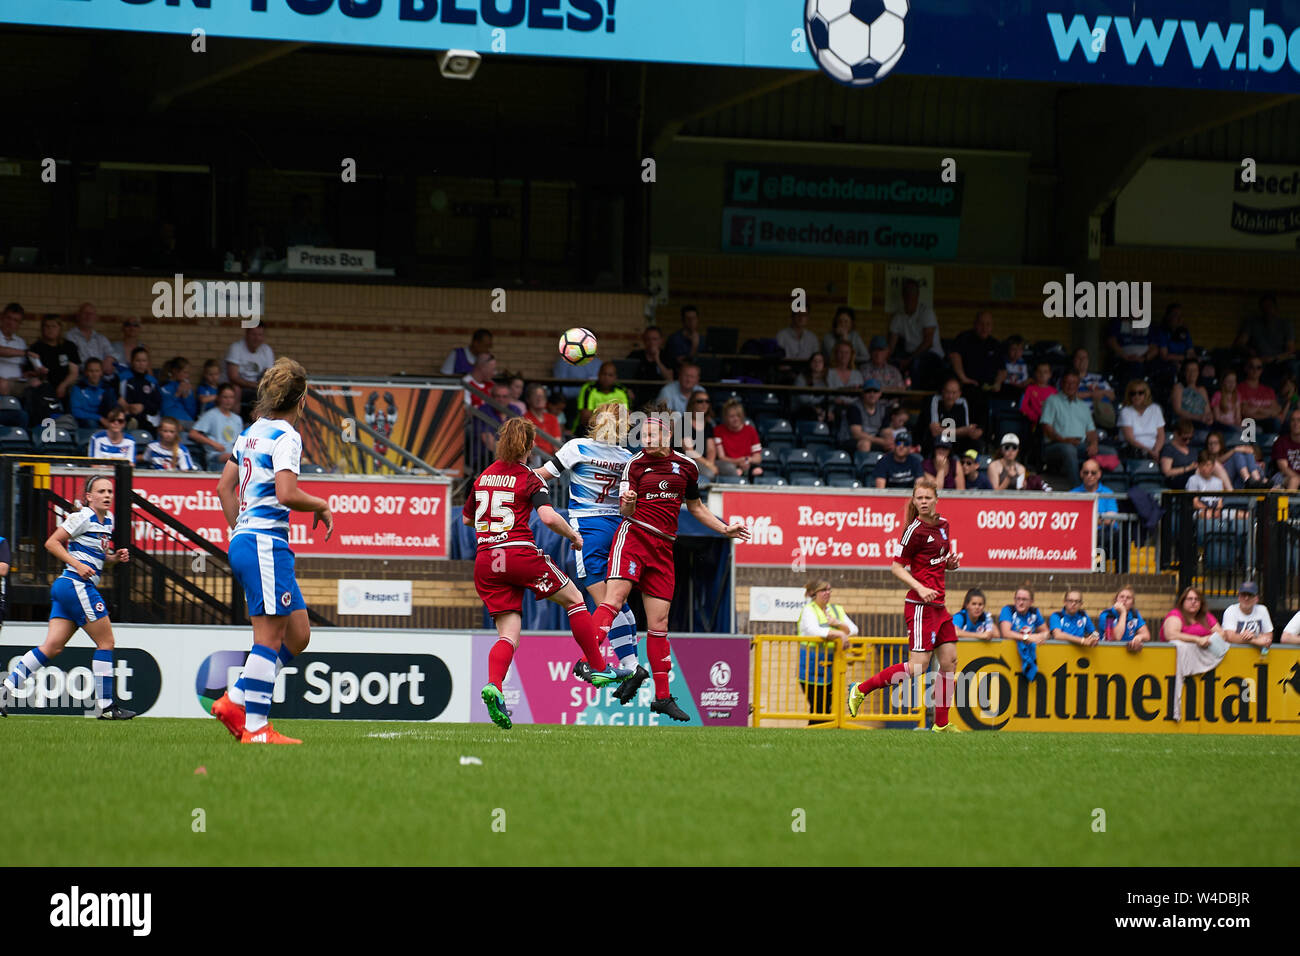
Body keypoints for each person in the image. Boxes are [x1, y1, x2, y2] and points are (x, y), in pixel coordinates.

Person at [588, 406, 751, 721]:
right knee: (614, 600)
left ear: (668, 434)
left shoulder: (687, 467)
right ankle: (590, 661)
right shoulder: (635, 465)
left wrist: (723, 527)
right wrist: (629, 504)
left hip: (663, 550)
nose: (646, 440)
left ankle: (662, 698)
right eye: (643, 434)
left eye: (652, 434)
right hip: (634, 538)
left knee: (659, 625)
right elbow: (624, 509)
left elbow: (697, 507)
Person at [466, 417, 625, 730]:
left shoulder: (482, 477)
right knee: (576, 599)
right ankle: (597, 667)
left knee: (508, 635)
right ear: (528, 446)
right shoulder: (527, 476)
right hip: (518, 554)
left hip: (486, 561)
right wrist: (574, 537)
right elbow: (549, 517)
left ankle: (494, 685)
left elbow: (468, 520)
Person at [210, 358, 331, 745]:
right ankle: (258, 729)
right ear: (302, 400)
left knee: (297, 635)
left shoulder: (249, 434)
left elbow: (223, 488)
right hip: (265, 543)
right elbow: (286, 493)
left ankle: (235, 699)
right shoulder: (286, 436)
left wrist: (239, 530)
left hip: (250, 541)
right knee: (268, 639)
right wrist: (322, 505)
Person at [0, 475, 134, 719]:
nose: (107, 495)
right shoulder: (81, 516)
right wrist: (77, 565)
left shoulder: (108, 520)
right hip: (76, 584)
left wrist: (113, 559)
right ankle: (106, 707)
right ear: (89, 496)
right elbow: (51, 543)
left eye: (110, 491)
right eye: (101, 491)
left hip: (67, 586)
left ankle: (3, 691)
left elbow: (95, 555)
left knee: (52, 647)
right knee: (106, 643)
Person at [536, 403, 642, 692]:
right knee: (618, 602)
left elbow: (541, 475)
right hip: (619, 531)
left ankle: (592, 662)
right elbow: (627, 506)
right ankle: (632, 666)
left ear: (595, 421)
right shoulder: (627, 458)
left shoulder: (578, 447)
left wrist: (509, 478)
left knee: (606, 604)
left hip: (589, 531)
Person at [846, 477, 962, 731]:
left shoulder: (944, 525)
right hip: (920, 606)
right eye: (918, 498)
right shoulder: (914, 530)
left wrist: (949, 564)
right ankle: (860, 689)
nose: (923, 502)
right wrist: (920, 587)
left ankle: (941, 725)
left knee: (949, 662)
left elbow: (938, 562)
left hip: (939, 606)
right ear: (914, 500)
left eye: (927, 498)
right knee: (918, 667)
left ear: (936, 499)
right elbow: (896, 567)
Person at [797, 579, 857, 724]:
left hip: (832, 667)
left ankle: (821, 737)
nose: (827, 593)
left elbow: (854, 629)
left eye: (829, 590)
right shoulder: (809, 610)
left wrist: (838, 624)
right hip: (811, 666)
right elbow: (812, 630)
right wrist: (839, 633)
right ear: (813, 593)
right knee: (817, 706)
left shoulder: (836, 610)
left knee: (828, 706)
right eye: (823, 590)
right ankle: (814, 735)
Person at [1041, 369, 1108, 482]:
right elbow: (1047, 428)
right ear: (1062, 383)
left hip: (1080, 445)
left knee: (1110, 452)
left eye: (1074, 383)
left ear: (1078, 385)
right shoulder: (1052, 400)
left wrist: (1094, 444)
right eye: (1067, 382)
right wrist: (1064, 440)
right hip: (1056, 445)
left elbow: (1091, 431)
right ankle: (1077, 490)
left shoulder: (1083, 406)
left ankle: (1107, 491)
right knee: (1069, 449)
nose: (1071, 386)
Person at [24, 315, 80, 426]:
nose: (50, 329)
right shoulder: (36, 348)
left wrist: (63, 386)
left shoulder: (69, 346)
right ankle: (43, 426)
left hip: (66, 386)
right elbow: (28, 373)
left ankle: (70, 426)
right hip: (45, 386)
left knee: (75, 390)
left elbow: (74, 372)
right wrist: (38, 374)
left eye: (53, 326)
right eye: (46, 326)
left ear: (60, 328)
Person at [887, 278, 944, 388]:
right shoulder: (898, 316)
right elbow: (891, 346)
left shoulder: (926, 312)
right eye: (907, 293)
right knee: (893, 364)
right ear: (903, 295)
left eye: (912, 293)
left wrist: (909, 360)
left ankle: (915, 396)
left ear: (917, 295)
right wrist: (884, 359)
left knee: (916, 364)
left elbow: (928, 342)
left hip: (932, 355)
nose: (909, 296)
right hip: (909, 354)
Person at [948, 309, 1001, 424]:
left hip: (989, 388)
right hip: (968, 386)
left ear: (992, 326)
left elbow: (1003, 370)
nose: (984, 327)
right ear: (975, 324)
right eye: (981, 324)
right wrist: (963, 378)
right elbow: (954, 356)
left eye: (988, 324)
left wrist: (998, 383)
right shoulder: (964, 338)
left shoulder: (995, 344)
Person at [1236, 293, 1297, 385]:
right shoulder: (1252, 323)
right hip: (1257, 360)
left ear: (1275, 308)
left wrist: (1274, 358)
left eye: (1269, 307)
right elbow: (1240, 343)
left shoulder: (1285, 324)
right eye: (1264, 307)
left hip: (1278, 361)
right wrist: (1250, 352)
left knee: (1294, 366)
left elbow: (1291, 350)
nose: (1267, 310)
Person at [922, 376, 983, 455]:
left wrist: (944, 430)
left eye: (954, 393)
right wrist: (960, 431)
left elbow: (966, 430)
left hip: (956, 442)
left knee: (975, 443)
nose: (950, 396)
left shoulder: (962, 402)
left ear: (959, 393)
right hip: (937, 443)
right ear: (942, 391)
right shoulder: (935, 400)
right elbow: (935, 432)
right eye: (947, 392)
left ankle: (969, 464)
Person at [190, 383, 244, 470]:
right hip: (215, 456)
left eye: (231, 397)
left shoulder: (238, 419)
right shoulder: (211, 415)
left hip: (232, 455)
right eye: (225, 397)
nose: (228, 400)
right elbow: (193, 433)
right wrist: (213, 444)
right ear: (218, 398)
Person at [710, 398, 763, 479]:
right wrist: (738, 462)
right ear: (725, 417)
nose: (736, 419)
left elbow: (758, 458)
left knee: (758, 470)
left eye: (738, 416)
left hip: (747, 464)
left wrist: (747, 460)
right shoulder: (718, 430)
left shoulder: (750, 430)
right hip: (729, 464)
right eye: (732, 416)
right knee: (734, 471)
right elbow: (721, 457)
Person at [118, 346, 162, 434]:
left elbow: (157, 404)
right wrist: (127, 406)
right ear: (132, 362)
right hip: (126, 415)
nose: (141, 364)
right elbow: (114, 396)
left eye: (144, 361)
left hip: (146, 418)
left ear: (148, 363)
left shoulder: (152, 381)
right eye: (138, 361)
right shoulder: (122, 378)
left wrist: (143, 407)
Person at [1118, 380, 1165, 460]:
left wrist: (1156, 451)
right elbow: (1130, 439)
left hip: (1155, 448)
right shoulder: (1125, 411)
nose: (1137, 396)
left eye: (1140, 393)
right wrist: (1150, 452)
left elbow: (1161, 435)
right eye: (1133, 393)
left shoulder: (1155, 409)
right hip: (1134, 449)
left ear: (1146, 394)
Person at [577, 361, 632, 430]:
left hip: (615, 431)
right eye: (604, 374)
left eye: (610, 375)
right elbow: (585, 418)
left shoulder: (622, 391)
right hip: (590, 430)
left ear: (615, 377)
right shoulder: (588, 389)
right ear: (598, 374)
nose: (606, 378)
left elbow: (627, 416)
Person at [1072, 347, 1116, 429]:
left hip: (1102, 416)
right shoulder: (1068, 379)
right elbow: (1066, 396)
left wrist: (1100, 393)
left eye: (1085, 358)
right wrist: (1092, 394)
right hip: (1079, 417)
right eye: (1079, 358)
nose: (1082, 360)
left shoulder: (1099, 378)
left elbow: (1112, 396)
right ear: (1073, 360)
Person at [1221, 582, 1274, 650]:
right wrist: (1255, 640)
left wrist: (1250, 637)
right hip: (1234, 653)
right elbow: (1230, 637)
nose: (1246, 598)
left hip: (1256, 655)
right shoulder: (1231, 610)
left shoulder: (1262, 610)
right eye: (1243, 595)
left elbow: (1269, 636)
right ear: (1239, 597)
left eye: (1250, 595)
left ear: (1256, 598)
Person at [69, 357, 117, 430]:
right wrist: (99, 418)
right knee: (91, 423)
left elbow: (114, 408)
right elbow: (75, 411)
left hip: (106, 419)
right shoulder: (78, 388)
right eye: (91, 371)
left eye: (97, 371)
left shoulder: (107, 388)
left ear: (101, 372)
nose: (94, 374)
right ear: (86, 372)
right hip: (85, 421)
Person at [1105, 315, 1156, 382]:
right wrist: (1125, 356)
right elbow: (1111, 341)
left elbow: (1155, 348)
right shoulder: (1118, 322)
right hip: (1122, 359)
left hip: (1144, 361)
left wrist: (1143, 358)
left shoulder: (1148, 325)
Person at [1097, 587, 1151, 651]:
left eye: (1128, 598)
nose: (1124, 599)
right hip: (1108, 651)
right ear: (1116, 600)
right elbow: (1117, 637)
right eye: (1121, 597)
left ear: (1132, 604)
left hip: (1127, 653)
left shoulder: (1134, 614)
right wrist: (1123, 613)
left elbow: (1146, 635)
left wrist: (1138, 637)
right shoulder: (1107, 615)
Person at [1170, 358, 1212, 440]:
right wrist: (1198, 417)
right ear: (1184, 372)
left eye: (1195, 370)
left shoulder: (1202, 390)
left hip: (1201, 421)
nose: (1192, 374)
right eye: (1189, 370)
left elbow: (1208, 411)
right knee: (1204, 434)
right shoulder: (1178, 388)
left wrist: (1209, 418)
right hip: (1186, 422)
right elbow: (1178, 410)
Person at [844, 380, 891, 453]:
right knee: (865, 444)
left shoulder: (882, 409)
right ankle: (865, 464)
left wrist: (889, 440)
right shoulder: (855, 408)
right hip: (849, 440)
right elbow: (857, 434)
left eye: (875, 391)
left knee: (893, 445)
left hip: (873, 440)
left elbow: (886, 431)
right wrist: (881, 441)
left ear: (880, 393)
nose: (872, 394)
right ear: (863, 393)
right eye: (868, 391)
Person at [682, 389, 718, 484]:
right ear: (692, 404)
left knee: (729, 468)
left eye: (707, 401)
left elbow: (711, 449)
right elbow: (690, 451)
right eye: (700, 401)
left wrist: (711, 463)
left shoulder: (708, 424)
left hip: (705, 461)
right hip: (688, 462)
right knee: (710, 474)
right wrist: (708, 465)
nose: (704, 404)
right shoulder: (683, 422)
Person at [1238, 358, 1283, 433]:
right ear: (1246, 369)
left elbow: (1276, 411)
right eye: (1251, 367)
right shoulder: (1240, 388)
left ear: (1261, 370)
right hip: (1250, 422)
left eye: (1258, 367)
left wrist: (1257, 409)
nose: (1255, 370)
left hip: (1269, 422)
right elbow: (1246, 412)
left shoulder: (1268, 390)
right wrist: (1268, 413)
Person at [522, 382, 562, 458]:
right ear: (528, 399)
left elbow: (556, 444)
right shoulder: (524, 419)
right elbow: (528, 446)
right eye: (535, 395)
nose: (539, 398)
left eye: (542, 396)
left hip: (551, 459)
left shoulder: (552, 418)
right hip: (534, 458)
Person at [1159, 420, 1199, 490]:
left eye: (1190, 438)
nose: (1188, 441)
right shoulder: (1169, 449)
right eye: (1184, 439)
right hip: (1177, 482)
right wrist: (1188, 468)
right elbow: (1167, 472)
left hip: (1194, 480)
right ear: (1176, 434)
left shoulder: (1193, 449)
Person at [0, 303, 29, 397]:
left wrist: (30, 374)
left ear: (19, 324)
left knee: (36, 383)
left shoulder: (21, 342)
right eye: (8, 318)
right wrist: (25, 353)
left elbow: (22, 368)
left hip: (16, 382)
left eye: (16, 320)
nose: (11, 323)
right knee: (3, 384)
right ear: (2, 317)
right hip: (2, 382)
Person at [160, 356, 197, 427]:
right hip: (172, 422)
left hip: (187, 422)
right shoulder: (165, 387)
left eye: (188, 373)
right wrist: (177, 394)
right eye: (185, 372)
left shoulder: (186, 386)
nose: (187, 376)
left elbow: (192, 413)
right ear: (175, 371)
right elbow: (164, 409)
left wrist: (186, 397)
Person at [793, 352, 831, 423]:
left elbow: (830, 398)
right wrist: (817, 409)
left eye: (820, 361)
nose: (817, 364)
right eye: (814, 361)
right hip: (802, 410)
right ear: (810, 363)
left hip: (821, 410)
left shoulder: (827, 379)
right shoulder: (801, 378)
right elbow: (803, 400)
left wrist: (823, 411)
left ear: (824, 364)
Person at [1186, 450, 1225, 518]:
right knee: (1208, 515)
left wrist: (1217, 511)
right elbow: (1195, 503)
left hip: (1215, 511)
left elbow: (1220, 503)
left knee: (1242, 514)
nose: (1204, 468)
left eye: (1207, 465)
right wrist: (1210, 511)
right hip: (1198, 511)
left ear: (1213, 466)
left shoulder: (1218, 482)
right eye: (1202, 465)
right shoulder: (1193, 479)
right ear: (1198, 465)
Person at [664, 304, 702, 371]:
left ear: (697, 320)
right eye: (688, 319)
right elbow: (683, 363)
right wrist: (694, 346)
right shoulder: (674, 339)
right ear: (683, 320)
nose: (691, 321)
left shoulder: (702, 339)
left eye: (694, 318)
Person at [1270, 407, 1300, 491]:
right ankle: (1289, 504)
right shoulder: (1281, 441)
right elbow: (1283, 468)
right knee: (1295, 480)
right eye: (1293, 420)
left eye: (1299, 420)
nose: (1295, 423)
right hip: (1282, 477)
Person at [1019, 360, 1056, 425]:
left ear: (1050, 374)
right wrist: (1034, 416)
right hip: (1033, 422)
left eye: (1045, 372)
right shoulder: (1030, 389)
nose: (1042, 375)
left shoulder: (1054, 391)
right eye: (1039, 372)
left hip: (1050, 422)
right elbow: (1023, 406)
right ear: (1035, 373)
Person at [1211, 369, 1245, 435]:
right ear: (1223, 382)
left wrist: (1240, 425)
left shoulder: (1237, 396)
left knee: (1254, 430)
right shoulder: (1218, 395)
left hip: (1234, 425)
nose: (1231, 384)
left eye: (1233, 381)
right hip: (1223, 426)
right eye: (1229, 381)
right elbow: (1217, 418)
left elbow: (1238, 417)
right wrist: (1231, 425)